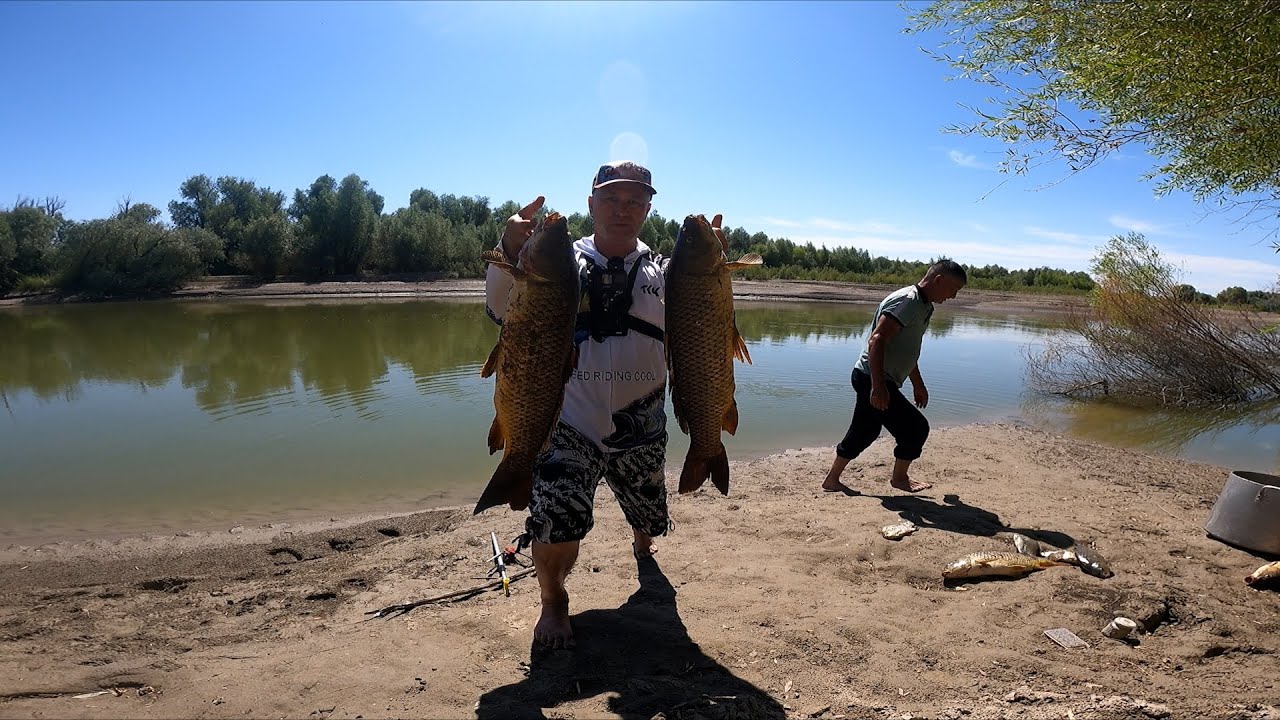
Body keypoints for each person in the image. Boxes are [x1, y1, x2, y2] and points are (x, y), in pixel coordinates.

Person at [485, 161, 727, 649]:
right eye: (612, 198)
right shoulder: (559, 262)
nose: (623, 209)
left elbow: (705, 324)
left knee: (650, 513)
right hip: (569, 419)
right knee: (555, 522)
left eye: (635, 200)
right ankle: (553, 602)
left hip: (643, 420)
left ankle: (643, 538)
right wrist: (508, 250)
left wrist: (712, 261)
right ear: (591, 203)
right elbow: (498, 308)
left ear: (648, 209)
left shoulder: (666, 272)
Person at [821, 259, 968, 494]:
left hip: (875, 377)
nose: (953, 296)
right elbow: (877, 340)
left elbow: (905, 349)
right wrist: (878, 386)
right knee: (916, 428)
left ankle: (832, 480)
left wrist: (917, 383)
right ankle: (899, 479)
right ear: (939, 280)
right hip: (873, 377)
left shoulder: (924, 305)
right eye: (954, 289)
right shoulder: (907, 301)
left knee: (865, 431)